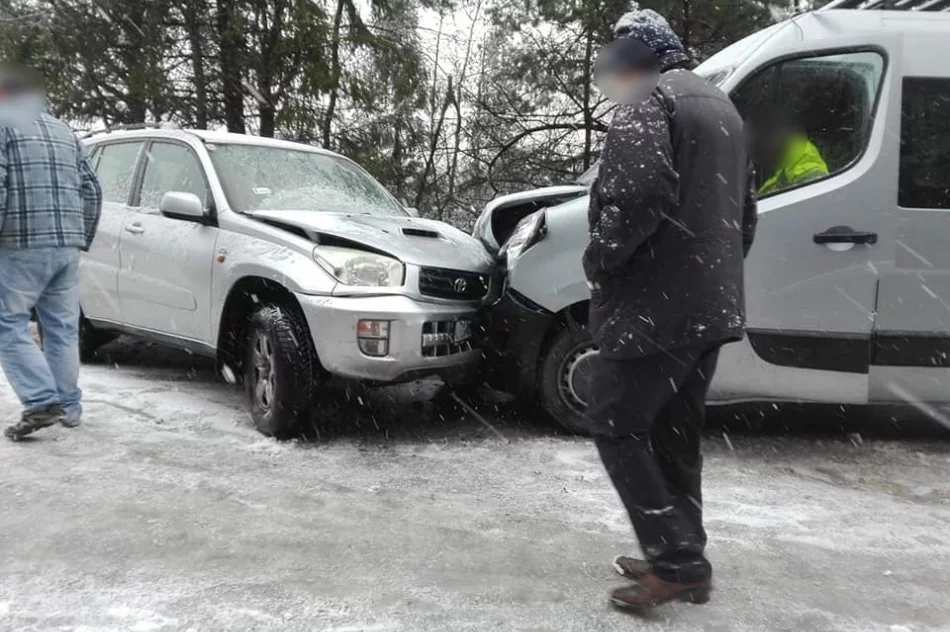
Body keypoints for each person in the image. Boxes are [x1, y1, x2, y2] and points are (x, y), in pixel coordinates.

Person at [582, 10, 757, 611]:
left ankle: (678, 563)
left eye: (617, 63)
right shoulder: (724, 109)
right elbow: (746, 218)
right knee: (673, 430)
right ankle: (683, 552)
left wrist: (601, 259)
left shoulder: (648, 100)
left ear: (638, 58)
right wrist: (711, 278)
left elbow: (637, 195)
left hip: (659, 304)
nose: (613, 78)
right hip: (711, 302)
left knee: (615, 421)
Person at [0, 63, 102, 440]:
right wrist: (80, 236)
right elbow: (92, 190)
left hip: (20, 244)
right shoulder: (63, 131)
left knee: (7, 323)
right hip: (66, 247)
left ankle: (41, 401)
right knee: (60, 329)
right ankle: (69, 407)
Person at [748, 107, 829, 196]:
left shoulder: (801, 154)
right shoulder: (780, 161)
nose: (763, 143)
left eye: (767, 133)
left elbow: (814, 190)